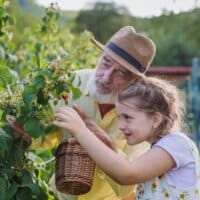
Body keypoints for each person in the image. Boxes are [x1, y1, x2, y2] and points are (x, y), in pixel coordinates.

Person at [10, 26, 156, 200]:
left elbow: (128, 186)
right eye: (106, 63)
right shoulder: (71, 84)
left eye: (120, 74)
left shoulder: (141, 114)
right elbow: (47, 136)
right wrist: (27, 136)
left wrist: (106, 148)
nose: (106, 77)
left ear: (135, 82)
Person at [54, 76, 200, 200]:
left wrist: (81, 131)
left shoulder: (176, 144)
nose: (121, 126)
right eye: (119, 118)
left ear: (155, 119)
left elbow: (126, 174)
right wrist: (109, 146)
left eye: (127, 118)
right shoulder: (158, 150)